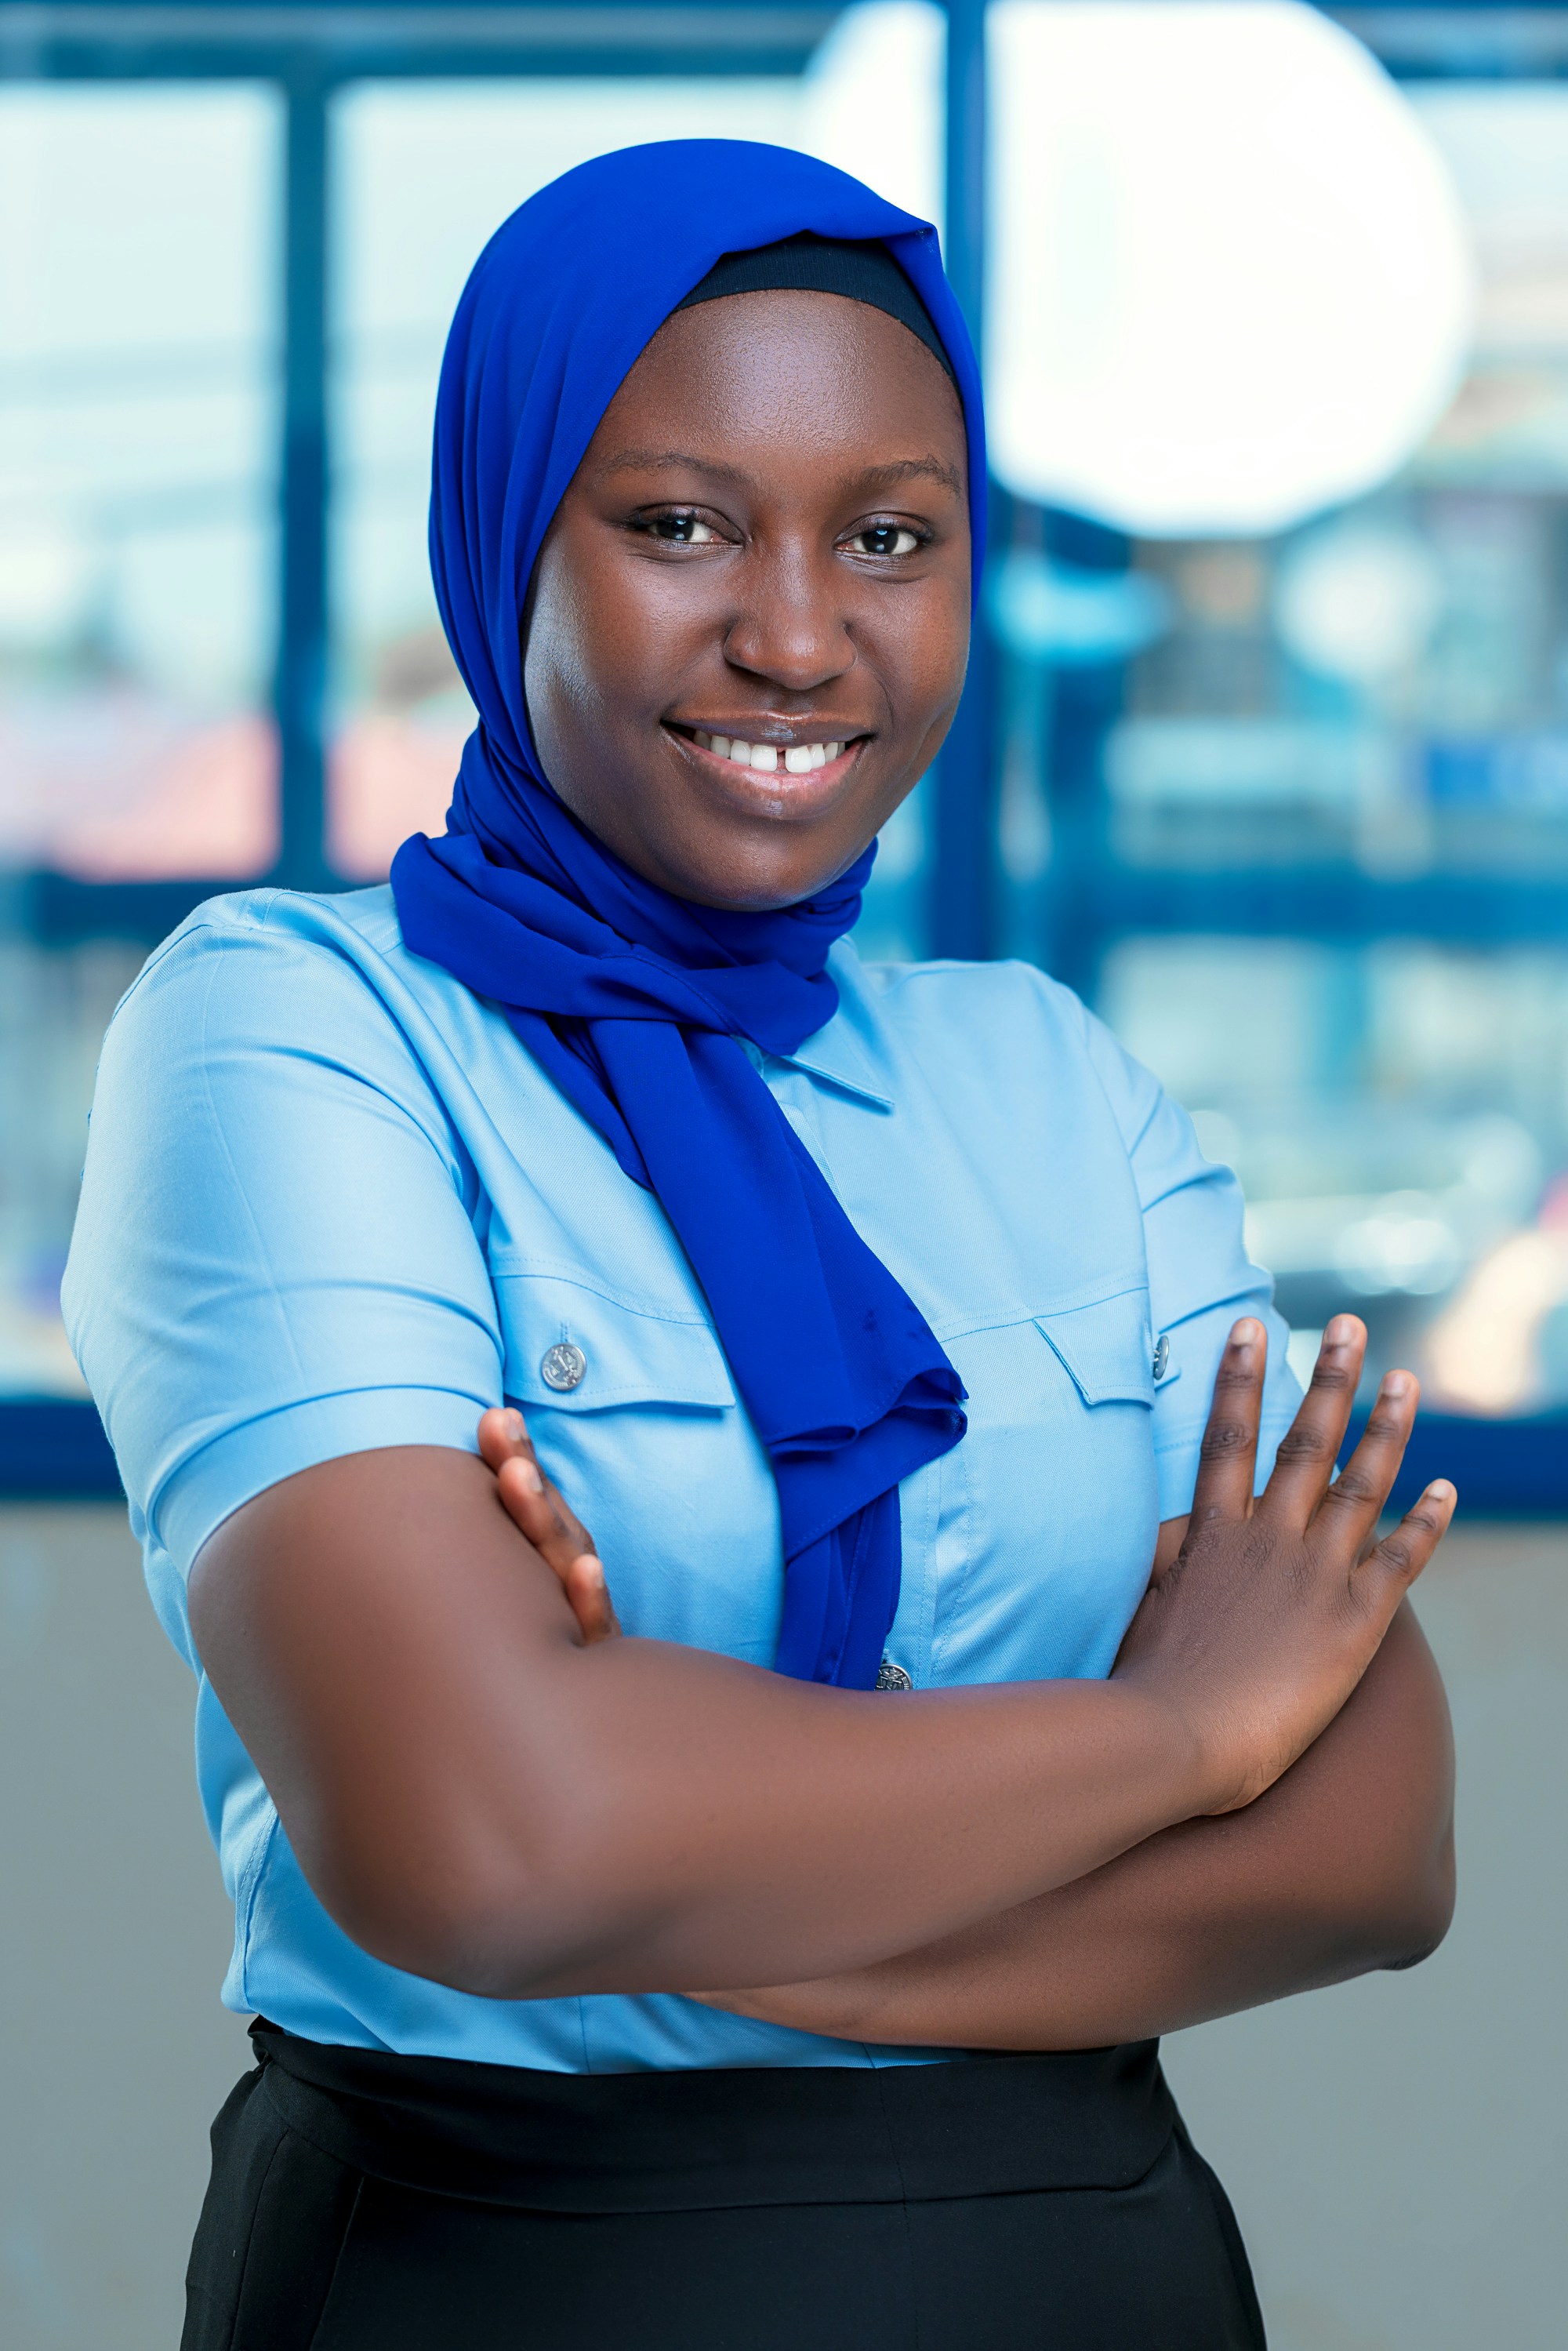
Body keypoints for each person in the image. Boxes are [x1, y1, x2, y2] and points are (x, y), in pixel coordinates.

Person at [63, 141, 1456, 2351]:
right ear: (508, 529)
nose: (798, 635)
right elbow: (480, 1844)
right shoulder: (295, 1035)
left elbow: (1375, 1842)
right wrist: (1183, 1737)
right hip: (499, 2272)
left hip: (1079, 2262)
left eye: (890, 537)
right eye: (680, 524)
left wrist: (702, 1859)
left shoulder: (1056, 1085)